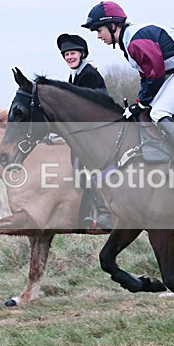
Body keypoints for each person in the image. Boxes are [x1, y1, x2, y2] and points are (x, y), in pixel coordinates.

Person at [81, 1, 174, 173]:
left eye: (99, 30)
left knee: (158, 112)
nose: (98, 36)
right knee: (151, 109)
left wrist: (142, 102)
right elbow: (147, 76)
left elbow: (156, 74)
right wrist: (139, 102)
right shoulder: (128, 42)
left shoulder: (134, 41)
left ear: (112, 25)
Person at [56, 33, 113, 230]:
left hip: (97, 133)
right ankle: (88, 213)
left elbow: (97, 104)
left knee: (90, 171)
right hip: (85, 134)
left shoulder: (89, 74)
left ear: (81, 54)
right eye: (66, 55)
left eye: (72, 53)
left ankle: (105, 213)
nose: (68, 57)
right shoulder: (75, 75)